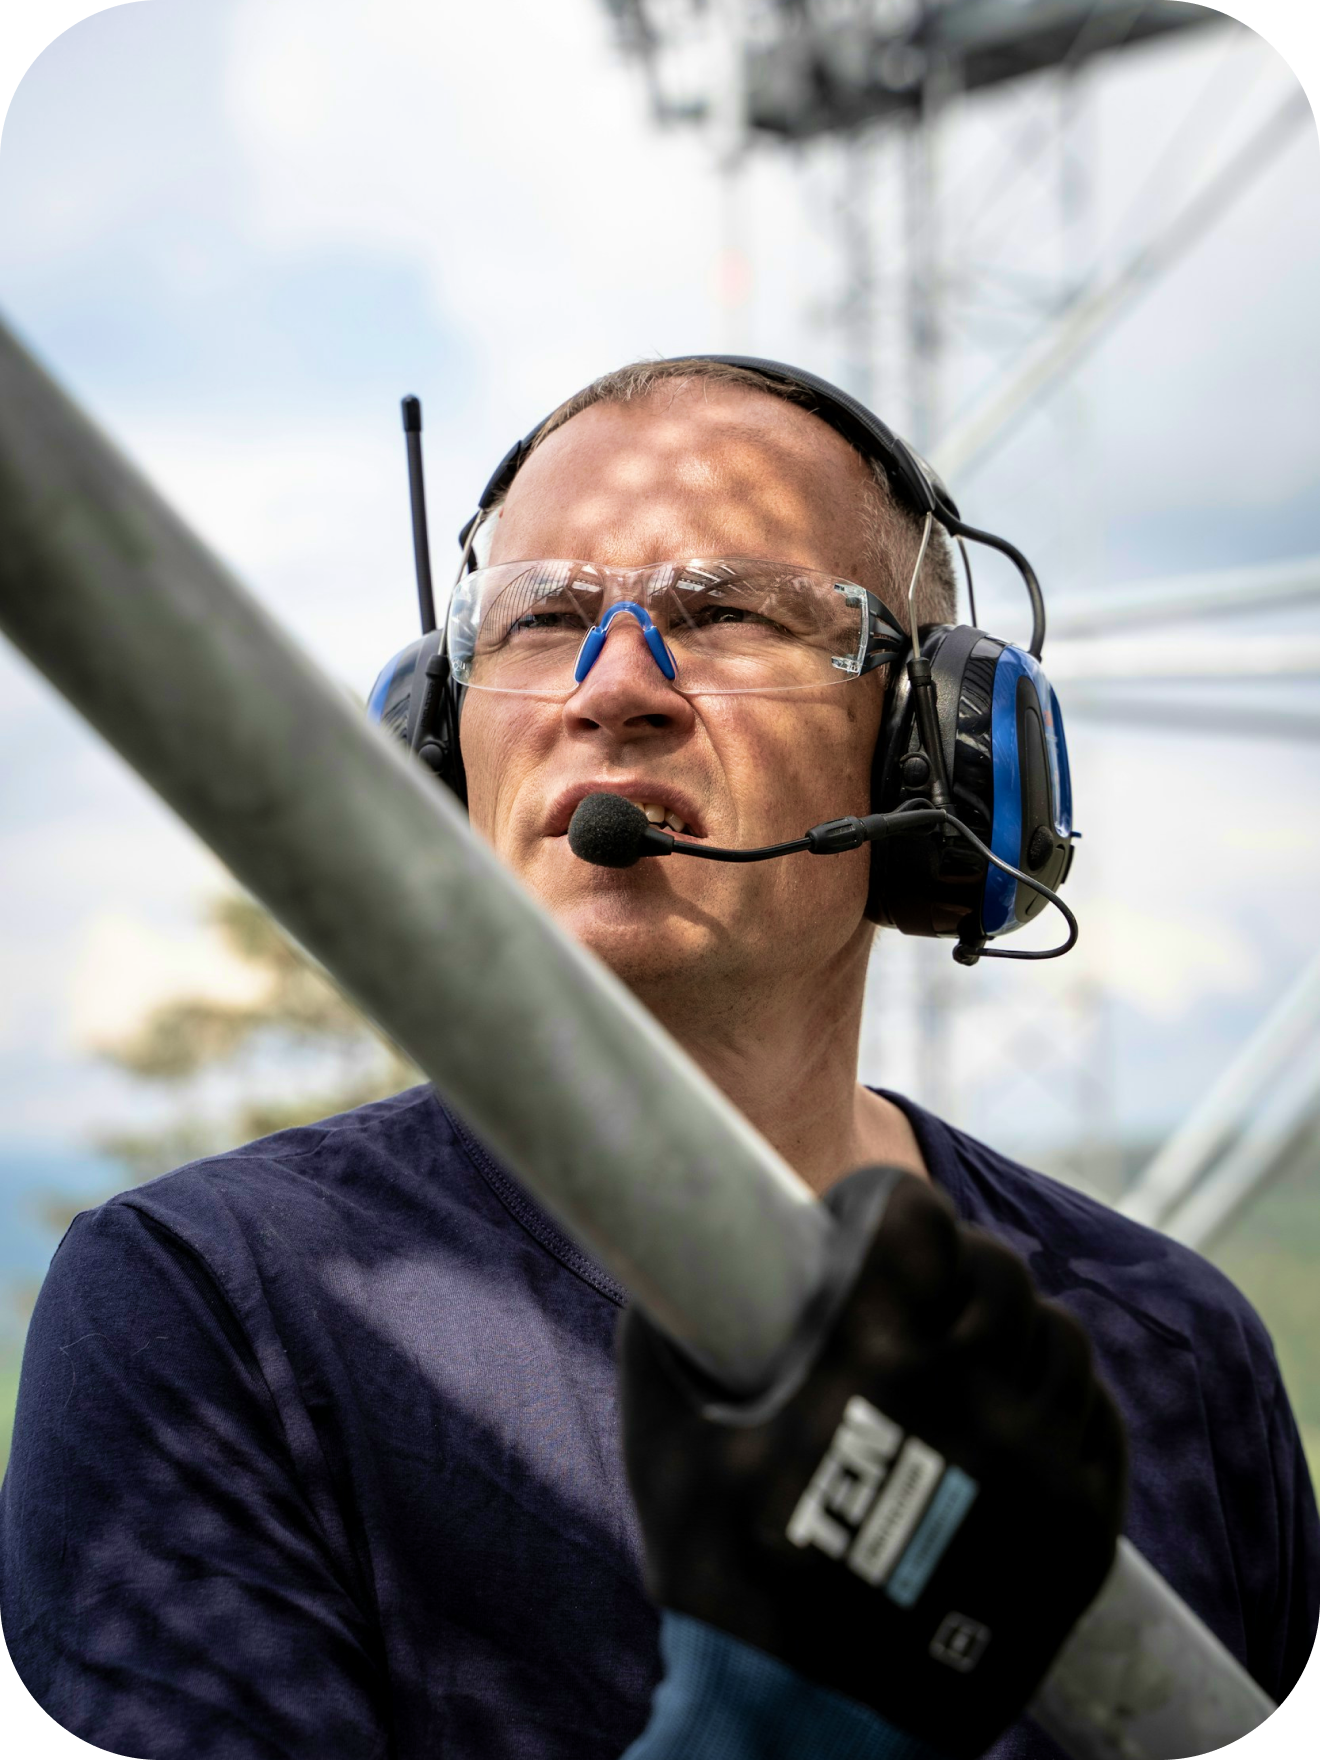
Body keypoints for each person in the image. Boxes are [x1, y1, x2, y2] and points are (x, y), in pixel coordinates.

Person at [2, 359, 1316, 1759]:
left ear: (933, 756)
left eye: (730, 611)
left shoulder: (1173, 1346)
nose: (614, 688)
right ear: (442, 746)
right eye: (540, 618)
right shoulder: (212, 1304)